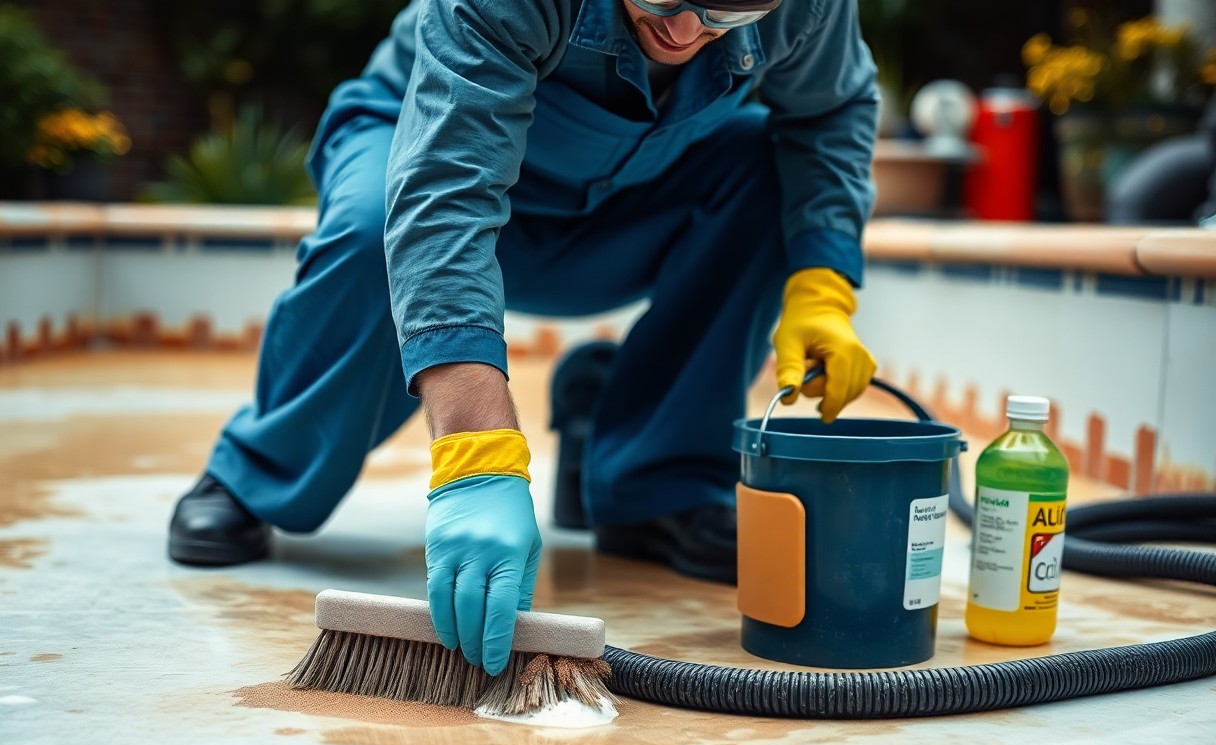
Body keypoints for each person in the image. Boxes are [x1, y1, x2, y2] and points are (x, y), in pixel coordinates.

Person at [168, 0, 880, 676]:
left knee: (766, 178)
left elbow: (832, 112)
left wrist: (822, 286)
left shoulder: (808, 8)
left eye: (729, 11)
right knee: (369, 233)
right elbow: (443, 195)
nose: (688, 28)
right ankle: (259, 473)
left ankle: (658, 490)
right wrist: (477, 457)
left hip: (631, 205)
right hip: (421, 164)